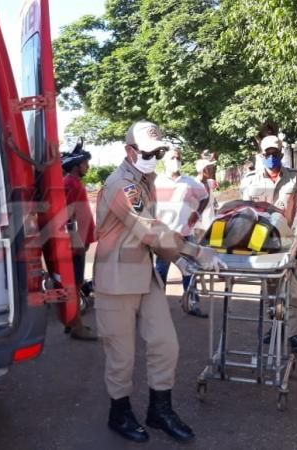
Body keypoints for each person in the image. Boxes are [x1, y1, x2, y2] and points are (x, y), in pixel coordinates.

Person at [93, 120, 224, 443]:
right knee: (122, 355)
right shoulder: (122, 184)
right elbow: (150, 231)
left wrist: (178, 259)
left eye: (159, 151)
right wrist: (195, 251)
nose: (154, 157)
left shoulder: (144, 179)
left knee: (166, 344)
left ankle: (159, 409)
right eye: (147, 152)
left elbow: (152, 235)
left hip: (144, 275)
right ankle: (119, 412)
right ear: (129, 151)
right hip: (116, 280)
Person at [240, 135, 297, 353]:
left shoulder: (296, 178)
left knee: (291, 288)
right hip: (260, 241)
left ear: (282, 154)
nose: (272, 157)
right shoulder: (250, 180)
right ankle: (275, 327)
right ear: (262, 155)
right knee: (270, 290)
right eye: (268, 154)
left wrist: (296, 238)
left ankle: (296, 334)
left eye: (275, 153)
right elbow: (245, 211)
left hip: (288, 239)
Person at [154, 148, 210, 318]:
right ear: (164, 161)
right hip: (165, 237)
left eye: (178, 158)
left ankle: (191, 303)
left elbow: (204, 197)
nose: (175, 161)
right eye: (172, 158)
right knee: (161, 273)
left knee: (190, 271)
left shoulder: (189, 182)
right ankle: (158, 308)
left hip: (186, 235)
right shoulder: (156, 182)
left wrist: (197, 213)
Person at [61, 142, 98, 341]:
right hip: (75, 243)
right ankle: (77, 326)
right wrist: (77, 241)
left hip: (77, 241)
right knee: (74, 285)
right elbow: (66, 216)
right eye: (85, 164)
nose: (88, 167)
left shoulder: (72, 182)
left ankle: (72, 322)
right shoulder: (71, 183)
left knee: (75, 284)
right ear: (76, 166)